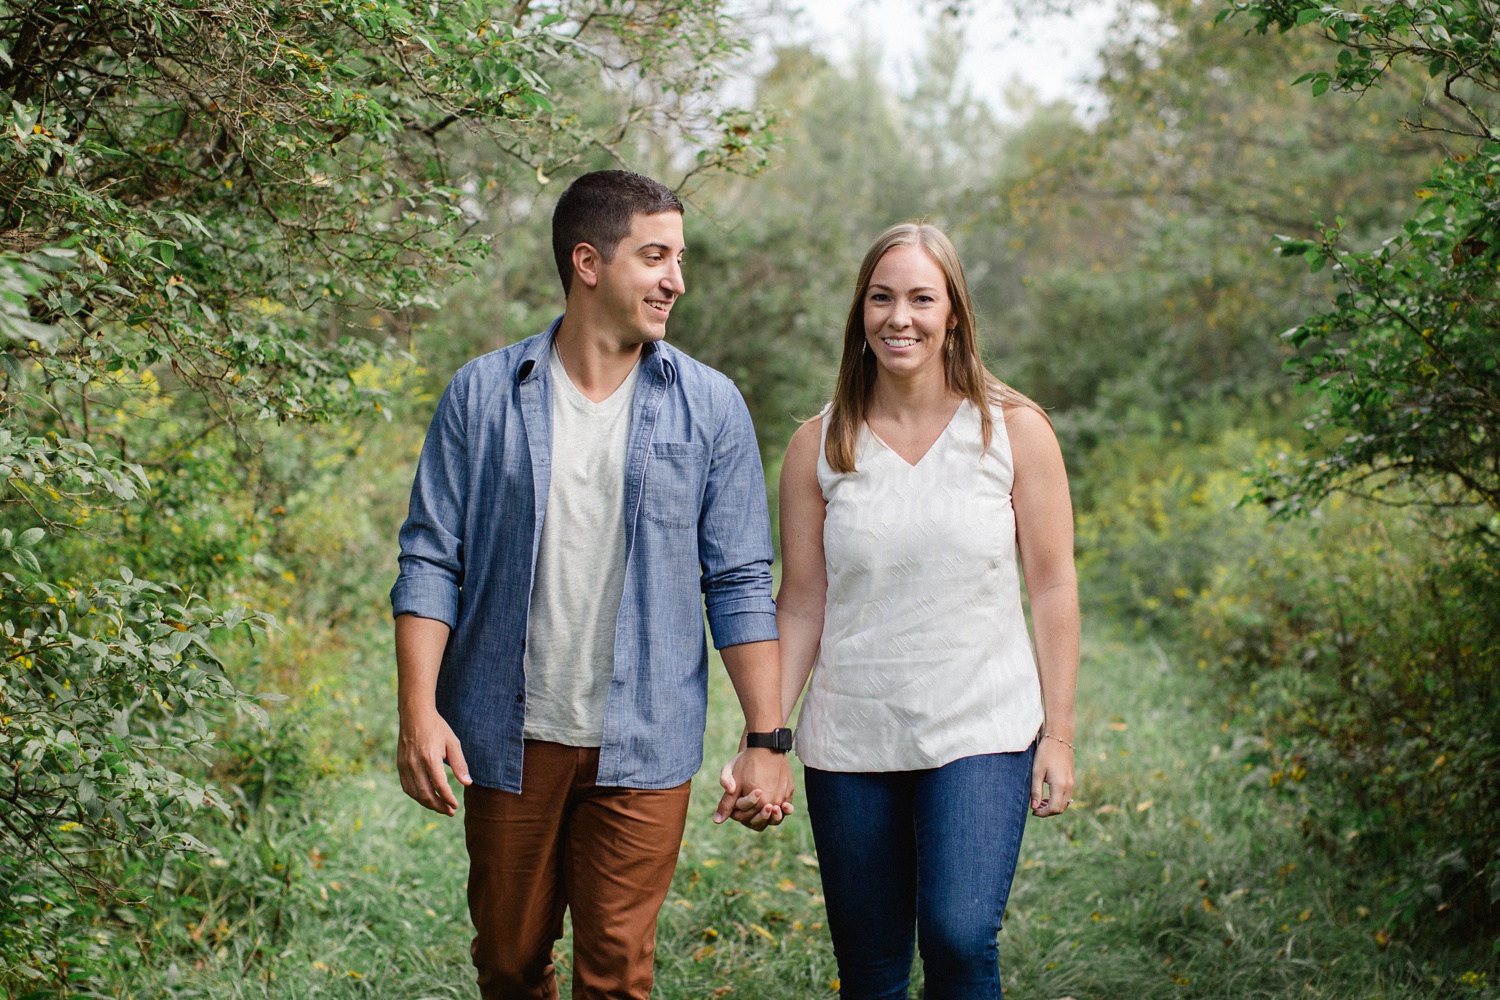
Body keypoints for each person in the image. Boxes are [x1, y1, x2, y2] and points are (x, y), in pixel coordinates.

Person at [389, 169, 794, 1000]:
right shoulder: (483, 393)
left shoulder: (710, 407)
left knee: (616, 974)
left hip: (645, 740)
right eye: (655, 257)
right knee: (508, 964)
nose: (676, 279)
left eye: (679, 258)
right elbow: (432, 559)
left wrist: (767, 739)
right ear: (588, 261)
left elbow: (741, 580)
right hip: (508, 738)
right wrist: (418, 713)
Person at [774, 222, 1079, 999]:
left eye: (920, 298)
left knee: (958, 935)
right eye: (882, 298)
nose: (899, 317)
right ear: (860, 311)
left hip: (980, 729)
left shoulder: (1013, 430)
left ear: (954, 313)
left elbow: (1051, 586)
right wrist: (767, 737)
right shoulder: (819, 445)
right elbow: (802, 604)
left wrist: (1060, 733)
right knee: (872, 973)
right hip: (852, 740)